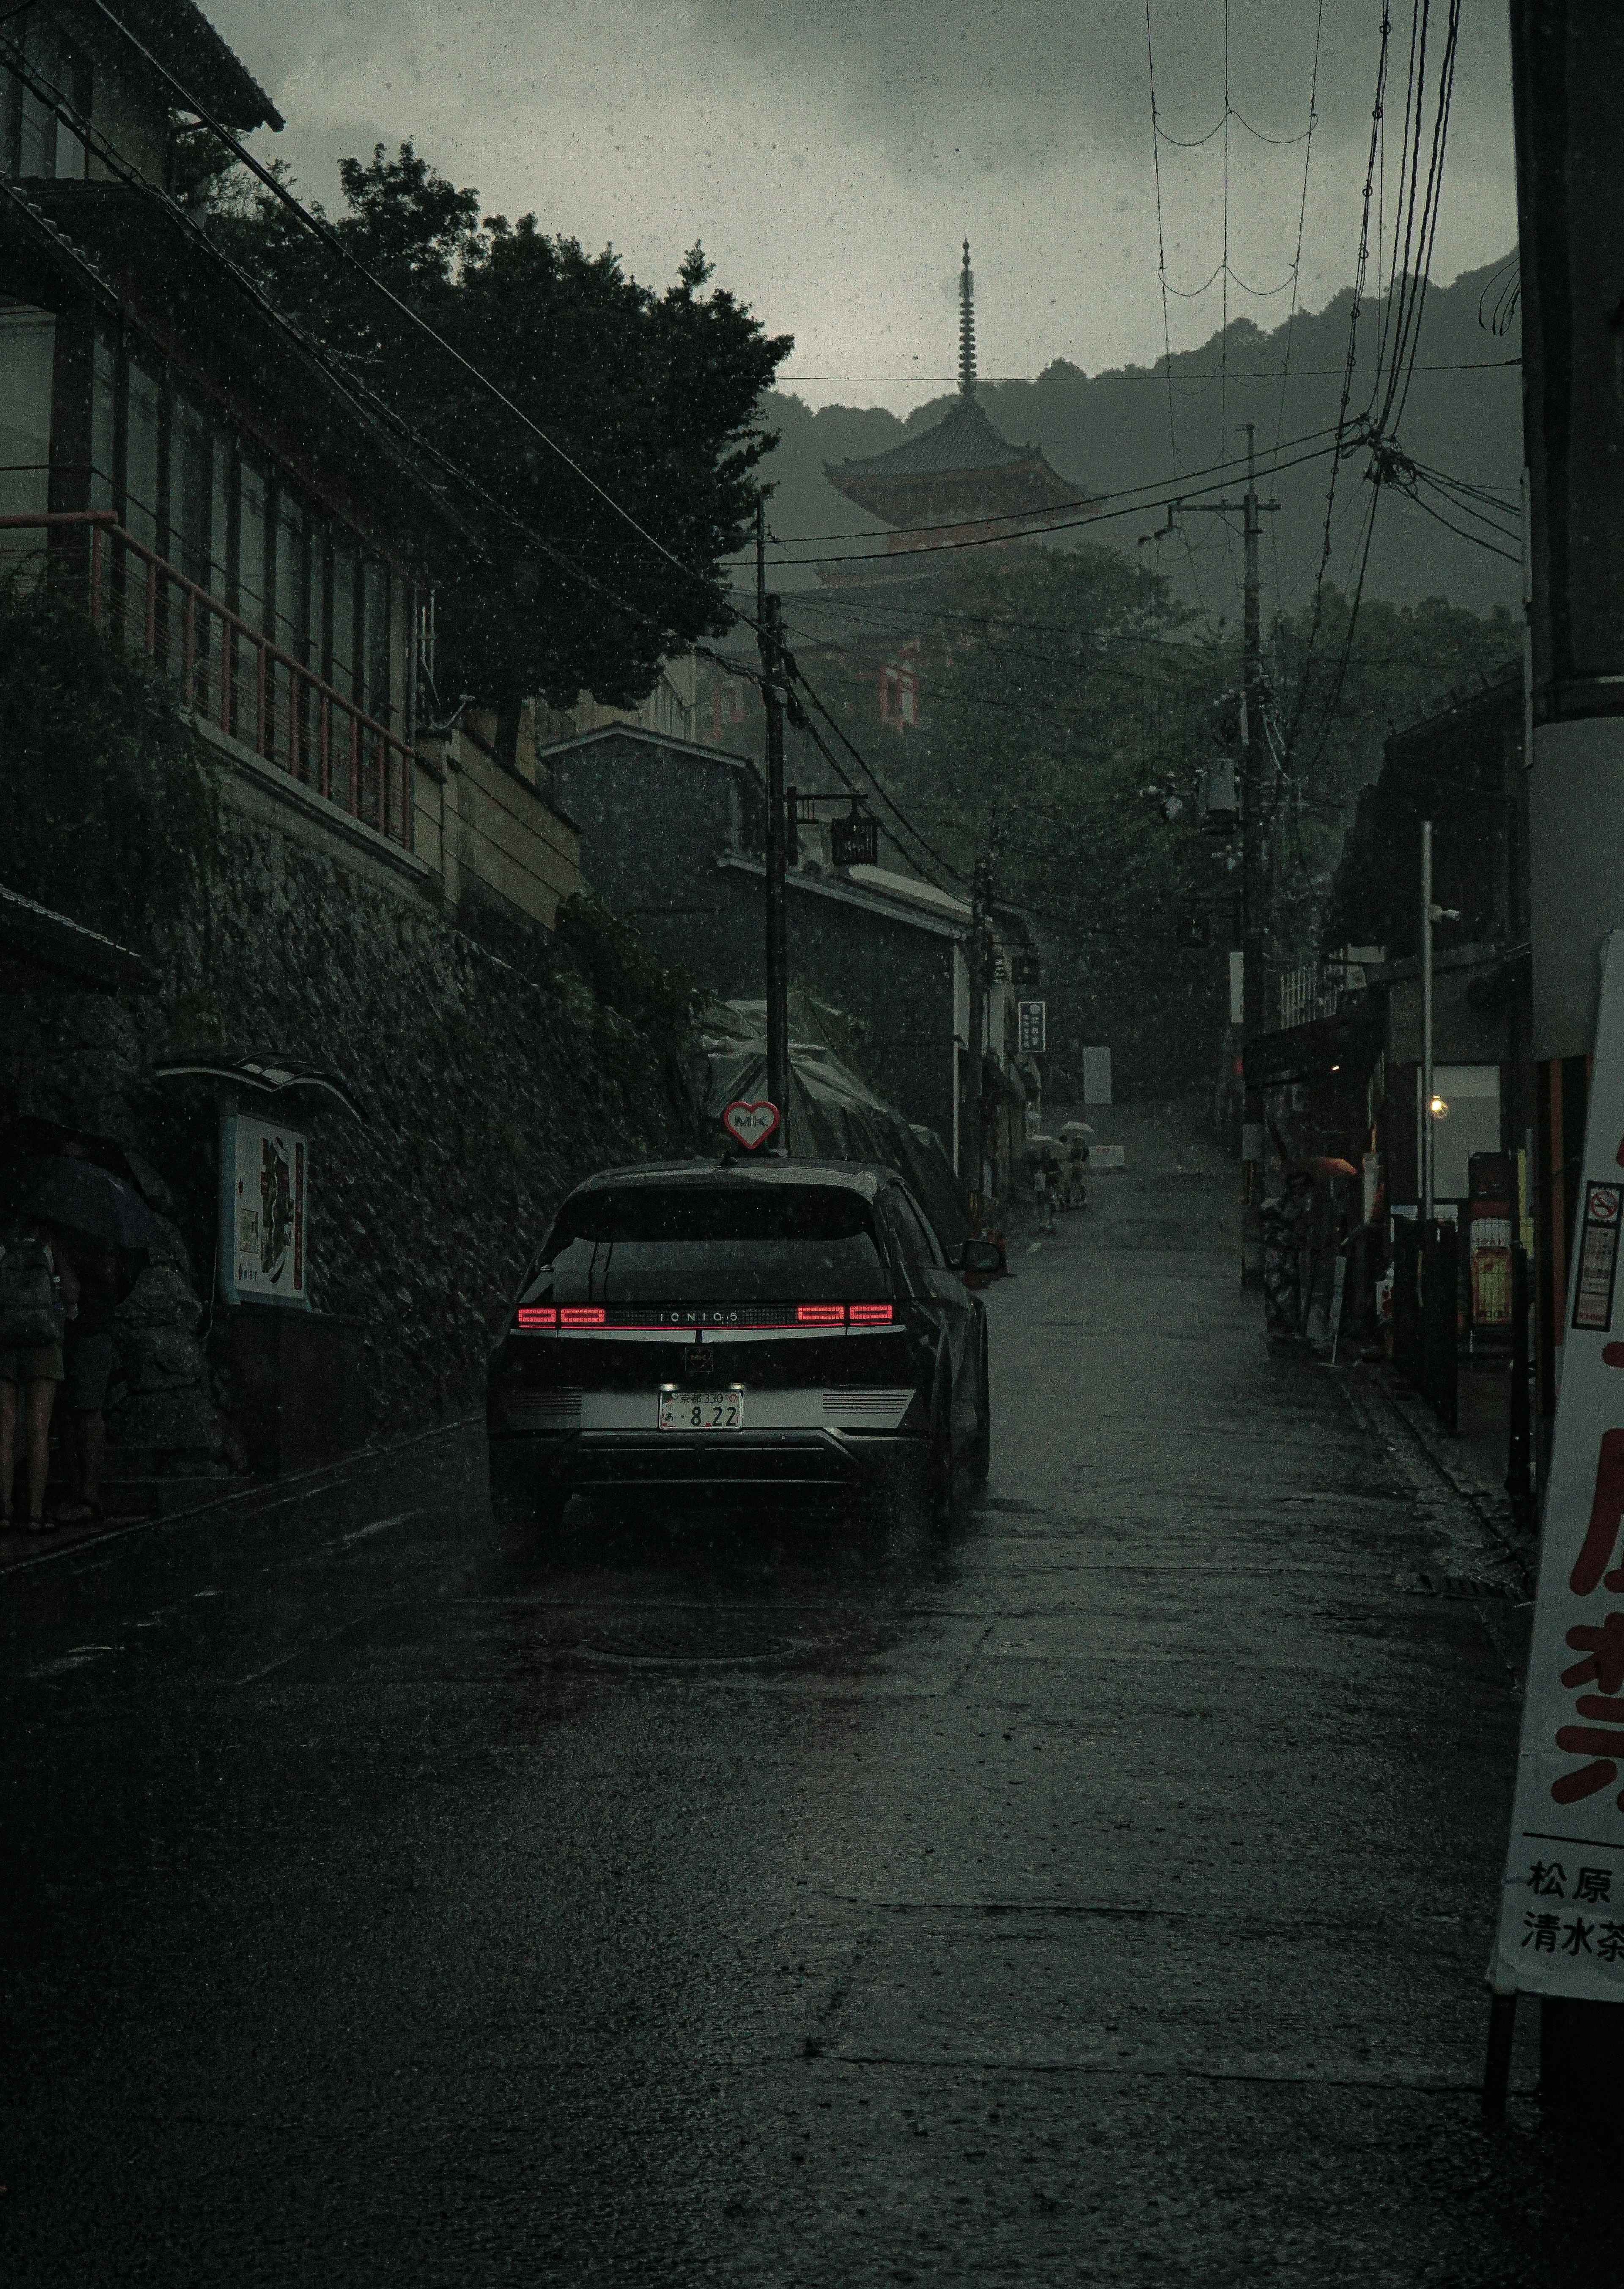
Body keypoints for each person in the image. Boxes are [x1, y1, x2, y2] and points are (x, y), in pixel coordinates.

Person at [0, 1225, 75, 1532]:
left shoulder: (3, 1246)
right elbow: (72, 1292)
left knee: (4, 1429)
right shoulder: (51, 1244)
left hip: (4, 1342)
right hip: (44, 1344)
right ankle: (35, 1514)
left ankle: (3, 1511)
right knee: (38, 1429)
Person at [55, 1239, 120, 1525]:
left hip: (90, 1327)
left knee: (87, 1411)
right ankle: (80, 1495)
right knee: (72, 1414)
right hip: (80, 1328)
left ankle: (87, 1497)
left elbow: (77, 1289)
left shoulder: (95, 1245)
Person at [1262, 1171, 1312, 1343]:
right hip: (1280, 1255)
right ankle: (1284, 1328)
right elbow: (1292, 1233)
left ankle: (1283, 1328)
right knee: (1283, 1290)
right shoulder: (1289, 1205)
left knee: (1282, 1290)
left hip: (1281, 1255)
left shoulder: (1290, 1204)